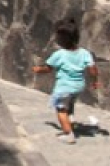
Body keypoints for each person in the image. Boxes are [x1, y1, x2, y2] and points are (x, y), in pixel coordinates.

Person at [31, 17, 99, 145]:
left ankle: (69, 134)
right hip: (78, 86)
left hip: (64, 88)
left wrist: (37, 69)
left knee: (61, 109)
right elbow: (93, 69)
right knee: (70, 103)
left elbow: (48, 69)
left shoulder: (59, 54)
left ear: (61, 39)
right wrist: (95, 81)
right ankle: (71, 120)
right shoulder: (84, 53)